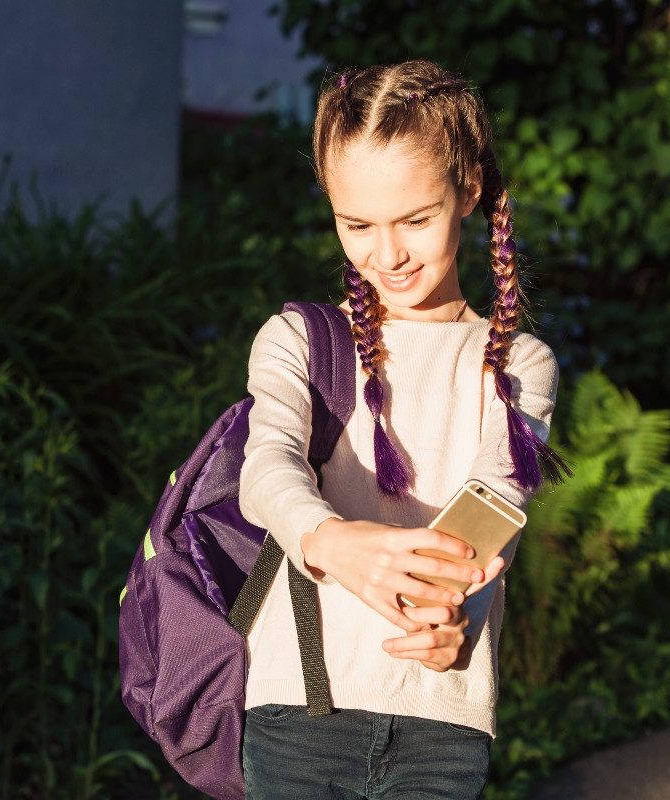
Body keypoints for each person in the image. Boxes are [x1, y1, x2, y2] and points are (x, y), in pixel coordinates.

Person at [237, 59, 568, 799]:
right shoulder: (297, 338)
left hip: (442, 719)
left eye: (415, 220)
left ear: (470, 189)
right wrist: (332, 542)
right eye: (356, 225)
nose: (387, 255)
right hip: (300, 706)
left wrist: (462, 617)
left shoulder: (520, 363)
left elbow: (491, 506)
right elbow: (267, 470)